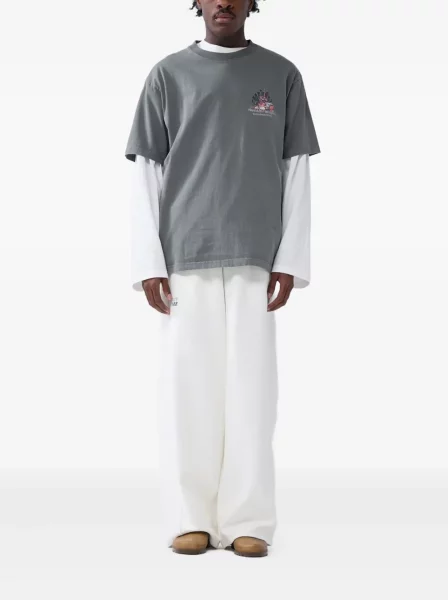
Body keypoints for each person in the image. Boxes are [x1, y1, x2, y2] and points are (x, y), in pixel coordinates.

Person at [124, 0, 320, 558]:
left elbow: (296, 167)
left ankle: (248, 520)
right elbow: (147, 171)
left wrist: (291, 258)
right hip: (186, 254)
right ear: (198, 3)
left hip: (257, 253)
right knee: (191, 387)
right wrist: (148, 264)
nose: (224, 2)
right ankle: (191, 517)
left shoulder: (280, 75)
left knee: (253, 388)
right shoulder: (168, 75)